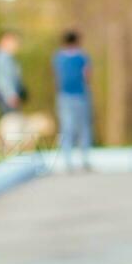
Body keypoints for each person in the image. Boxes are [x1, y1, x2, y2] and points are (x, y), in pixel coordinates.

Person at [52, 29, 93, 171]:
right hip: (80, 95)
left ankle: (67, 161)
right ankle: (85, 160)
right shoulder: (82, 57)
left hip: (63, 96)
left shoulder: (58, 57)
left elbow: (57, 76)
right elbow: (87, 75)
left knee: (66, 128)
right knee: (83, 128)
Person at [0, 30, 26, 116]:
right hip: (7, 97)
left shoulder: (7, 58)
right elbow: (1, 79)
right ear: (4, 42)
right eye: (13, 42)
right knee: (12, 123)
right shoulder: (2, 58)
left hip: (8, 96)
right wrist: (11, 95)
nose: (16, 45)